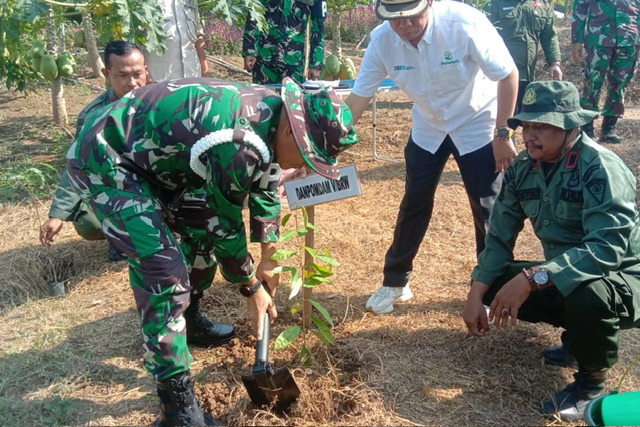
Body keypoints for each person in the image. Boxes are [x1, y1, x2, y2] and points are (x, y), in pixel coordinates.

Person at [66, 77, 358, 426]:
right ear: (291, 133)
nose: (307, 168)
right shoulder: (241, 141)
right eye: (309, 158)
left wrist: (269, 256)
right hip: (108, 162)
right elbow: (226, 221)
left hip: (160, 162)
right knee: (164, 272)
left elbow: (264, 185)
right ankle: (176, 407)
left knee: (197, 237)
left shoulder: (272, 116)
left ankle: (187, 320)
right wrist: (250, 287)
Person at [462, 80, 640, 422]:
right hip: (571, 272)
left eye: (541, 125)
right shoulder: (523, 168)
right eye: (526, 125)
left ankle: (591, 385)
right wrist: (475, 293)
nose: (529, 135)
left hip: (624, 277)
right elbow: (498, 238)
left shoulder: (599, 166)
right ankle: (578, 340)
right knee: (496, 278)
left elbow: (607, 249)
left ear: (570, 126)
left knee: (589, 293)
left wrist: (532, 278)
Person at [345, 0, 519, 314]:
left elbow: (507, 75)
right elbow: (359, 97)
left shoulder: (463, 23)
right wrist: (331, 142)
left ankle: (491, 290)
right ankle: (395, 282)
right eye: (396, 20)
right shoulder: (382, 40)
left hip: (476, 121)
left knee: (488, 208)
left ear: (430, 5)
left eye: (412, 17)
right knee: (414, 202)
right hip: (429, 126)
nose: (405, 26)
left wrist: (503, 133)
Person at [39, 40, 149, 261]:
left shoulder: (163, 103)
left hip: (160, 181)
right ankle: (121, 236)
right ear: (106, 73)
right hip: (119, 186)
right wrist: (57, 214)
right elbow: (78, 163)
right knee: (88, 223)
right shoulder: (94, 115)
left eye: (138, 74)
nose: (132, 83)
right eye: (122, 75)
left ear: (146, 70)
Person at [571, 0, 640, 143]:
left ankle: (609, 128)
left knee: (620, 84)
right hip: (599, 38)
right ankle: (587, 127)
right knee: (592, 83)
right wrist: (577, 39)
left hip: (629, 40)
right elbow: (580, 7)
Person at [488, 0, 562, 114]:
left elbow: (549, 36)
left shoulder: (541, 5)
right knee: (502, 118)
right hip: (502, 76)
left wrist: (555, 63)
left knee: (525, 118)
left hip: (528, 75)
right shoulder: (494, 3)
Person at [242, 0, 327, 84]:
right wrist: (250, 50)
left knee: (293, 97)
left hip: (293, 63)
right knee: (263, 96)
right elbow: (254, 14)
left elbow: (319, 27)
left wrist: (316, 64)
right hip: (264, 59)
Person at [146, 0, 209, 81]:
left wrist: (205, 71)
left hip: (193, 76)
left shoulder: (192, 1)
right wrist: (145, 76)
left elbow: (198, 37)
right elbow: (138, 41)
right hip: (161, 80)